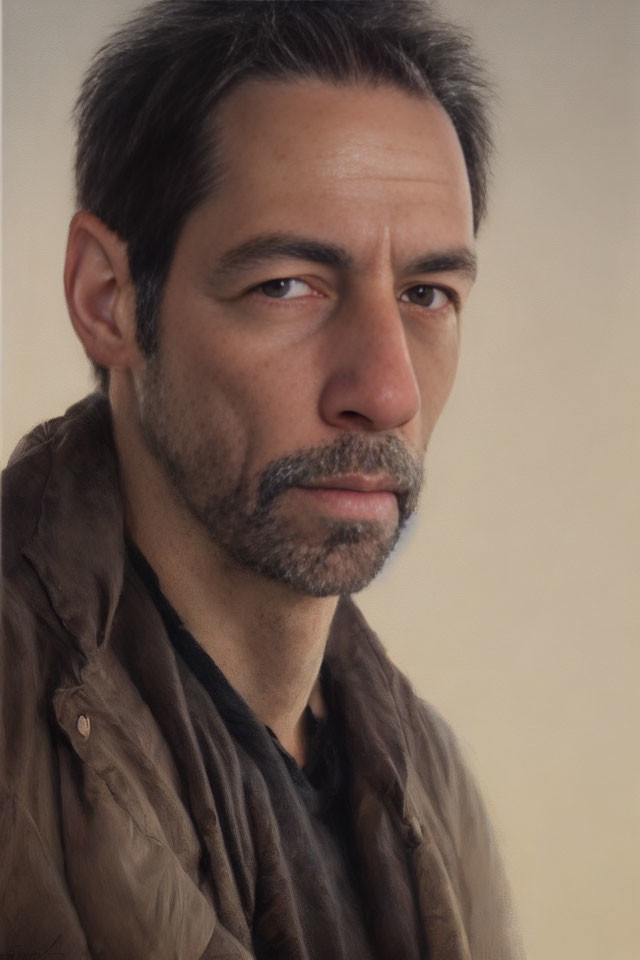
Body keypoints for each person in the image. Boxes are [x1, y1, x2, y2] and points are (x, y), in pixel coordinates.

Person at [1, 1, 524, 957]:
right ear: (107, 299)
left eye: (426, 295)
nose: (387, 388)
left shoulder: (436, 786)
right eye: (288, 284)